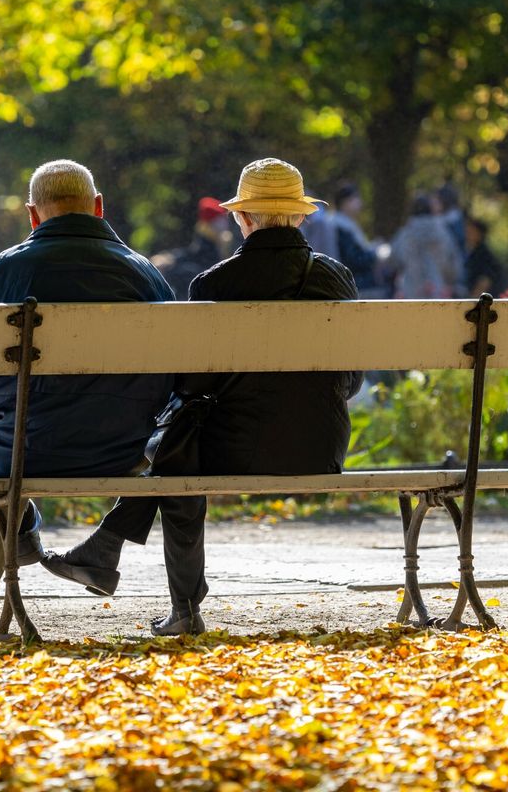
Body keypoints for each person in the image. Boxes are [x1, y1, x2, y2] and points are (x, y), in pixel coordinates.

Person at [41, 158, 361, 636]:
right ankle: (104, 549)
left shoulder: (213, 285)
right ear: (301, 216)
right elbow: (351, 381)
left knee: (179, 448)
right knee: (181, 444)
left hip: (236, 450)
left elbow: (191, 386)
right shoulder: (335, 279)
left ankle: (176, 601)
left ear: (242, 218)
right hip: (321, 447)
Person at [0, 160, 175, 639]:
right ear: (98, 208)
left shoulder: (5, 272)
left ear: (33, 215)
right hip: (122, 450)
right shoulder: (144, 275)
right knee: (0, 444)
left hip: (22, 450)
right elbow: (171, 378)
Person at [384, 194, 463, 299]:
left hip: (410, 293)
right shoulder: (443, 233)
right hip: (438, 292)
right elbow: (454, 266)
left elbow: (392, 261)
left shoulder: (405, 233)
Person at [151, 197, 233, 298]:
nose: (224, 224)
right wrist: (171, 259)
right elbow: (195, 254)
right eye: (220, 220)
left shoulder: (217, 243)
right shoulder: (210, 246)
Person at [328, 182, 383, 296]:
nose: (360, 203)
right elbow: (352, 260)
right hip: (354, 286)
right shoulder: (340, 227)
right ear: (345, 202)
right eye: (355, 198)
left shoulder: (345, 225)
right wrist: (374, 254)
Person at [464, 217, 507, 297]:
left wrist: (470, 304)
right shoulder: (473, 254)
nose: (467, 233)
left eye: (471, 231)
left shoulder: (483, 256)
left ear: (479, 234)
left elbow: (484, 282)